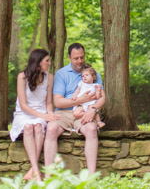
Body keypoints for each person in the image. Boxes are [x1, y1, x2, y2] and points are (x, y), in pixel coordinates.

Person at [44, 43, 106, 174]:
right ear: (69, 58)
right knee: (51, 129)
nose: (80, 61)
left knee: (91, 129)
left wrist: (93, 109)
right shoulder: (61, 74)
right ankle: (49, 176)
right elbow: (58, 102)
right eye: (76, 58)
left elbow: (102, 98)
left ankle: (91, 176)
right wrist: (80, 100)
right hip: (64, 112)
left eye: (82, 58)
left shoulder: (93, 73)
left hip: (85, 111)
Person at [10, 48, 59, 181]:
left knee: (37, 126)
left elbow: (49, 103)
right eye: (47, 61)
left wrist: (49, 114)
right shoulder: (22, 77)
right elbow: (24, 105)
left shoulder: (50, 78)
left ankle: (33, 170)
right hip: (24, 113)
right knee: (27, 127)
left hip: (41, 113)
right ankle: (36, 171)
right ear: (38, 63)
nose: (49, 63)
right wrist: (44, 116)